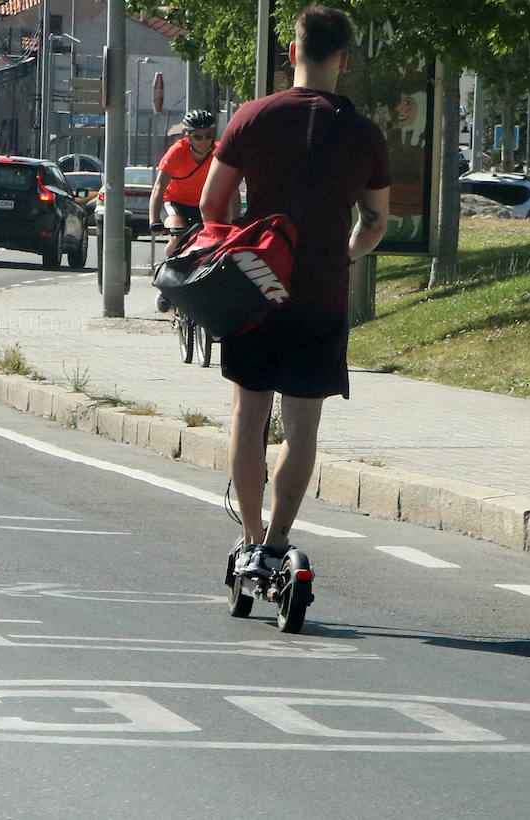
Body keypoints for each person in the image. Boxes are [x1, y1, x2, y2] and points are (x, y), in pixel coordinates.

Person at [199, 4, 390, 578]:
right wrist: (344, 253)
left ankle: (250, 539)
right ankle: (281, 540)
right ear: (345, 60)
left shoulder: (252, 117)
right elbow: (377, 221)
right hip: (322, 293)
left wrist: (242, 251)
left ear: (291, 53)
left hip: (256, 290)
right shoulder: (364, 134)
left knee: (248, 411)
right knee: (301, 421)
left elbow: (212, 204)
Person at [149, 110, 234, 312]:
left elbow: (232, 191)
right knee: (178, 235)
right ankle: (167, 283)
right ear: (187, 136)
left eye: (208, 136)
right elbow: (158, 188)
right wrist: (154, 220)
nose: (203, 142)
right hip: (174, 203)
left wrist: (234, 221)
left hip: (203, 204)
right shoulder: (177, 152)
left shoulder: (219, 152)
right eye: (197, 136)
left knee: (216, 244)